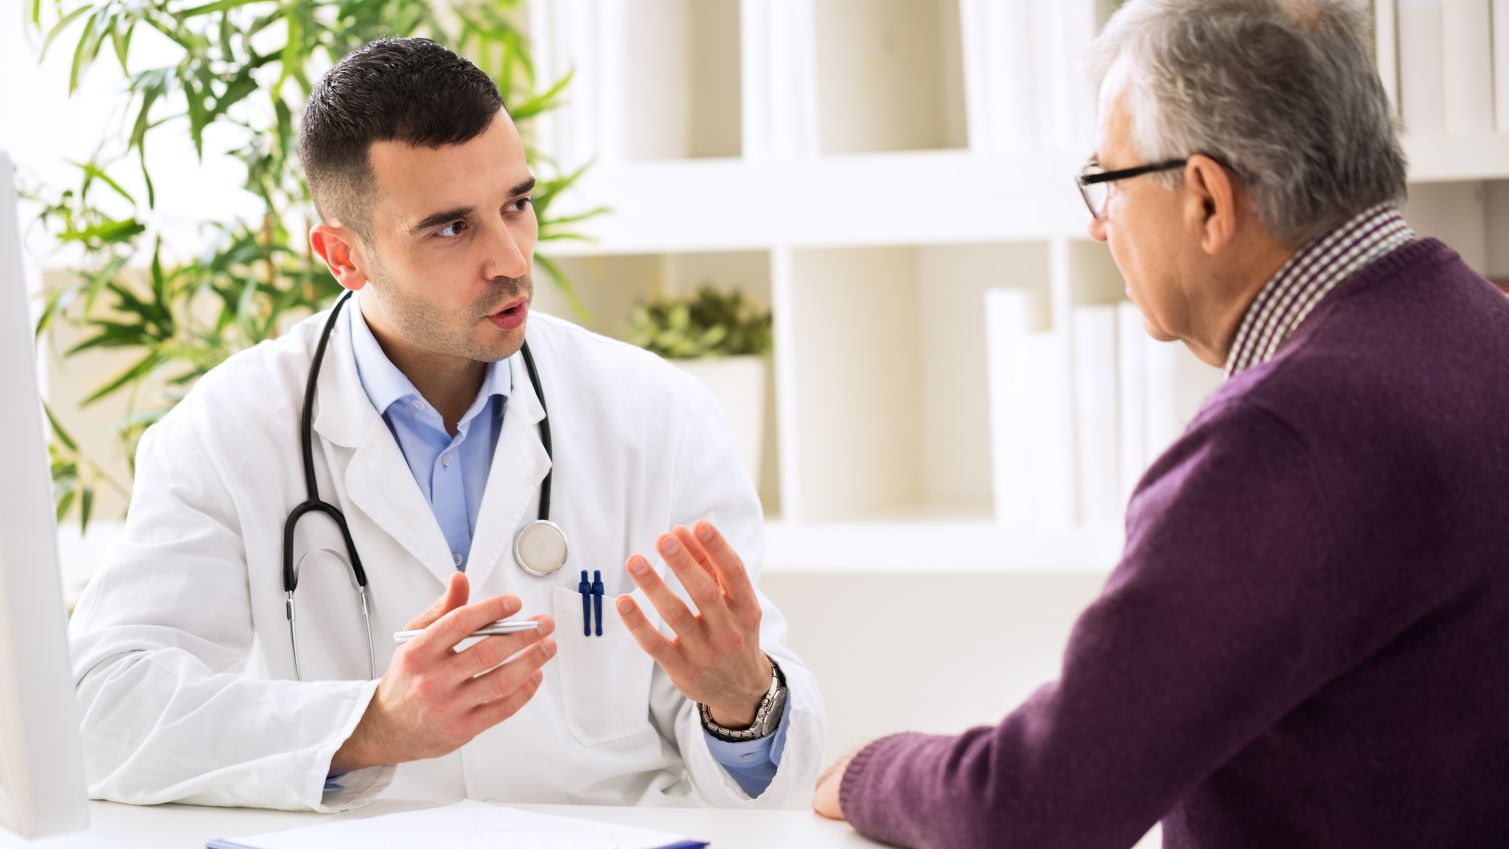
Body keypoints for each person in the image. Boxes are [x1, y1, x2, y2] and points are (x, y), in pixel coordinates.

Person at [812, 1, 1509, 846]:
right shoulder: (1482, 326)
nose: (1096, 225)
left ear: (1208, 200)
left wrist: (866, 770)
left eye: (1106, 181)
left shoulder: (1284, 434)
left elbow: (1032, 805)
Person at [67, 37, 824, 812]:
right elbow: (98, 708)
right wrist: (371, 725)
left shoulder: (657, 415)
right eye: (452, 228)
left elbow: (771, 773)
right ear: (341, 255)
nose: (510, 258)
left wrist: (742, 699)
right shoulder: (229, 431)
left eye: (516, 205)